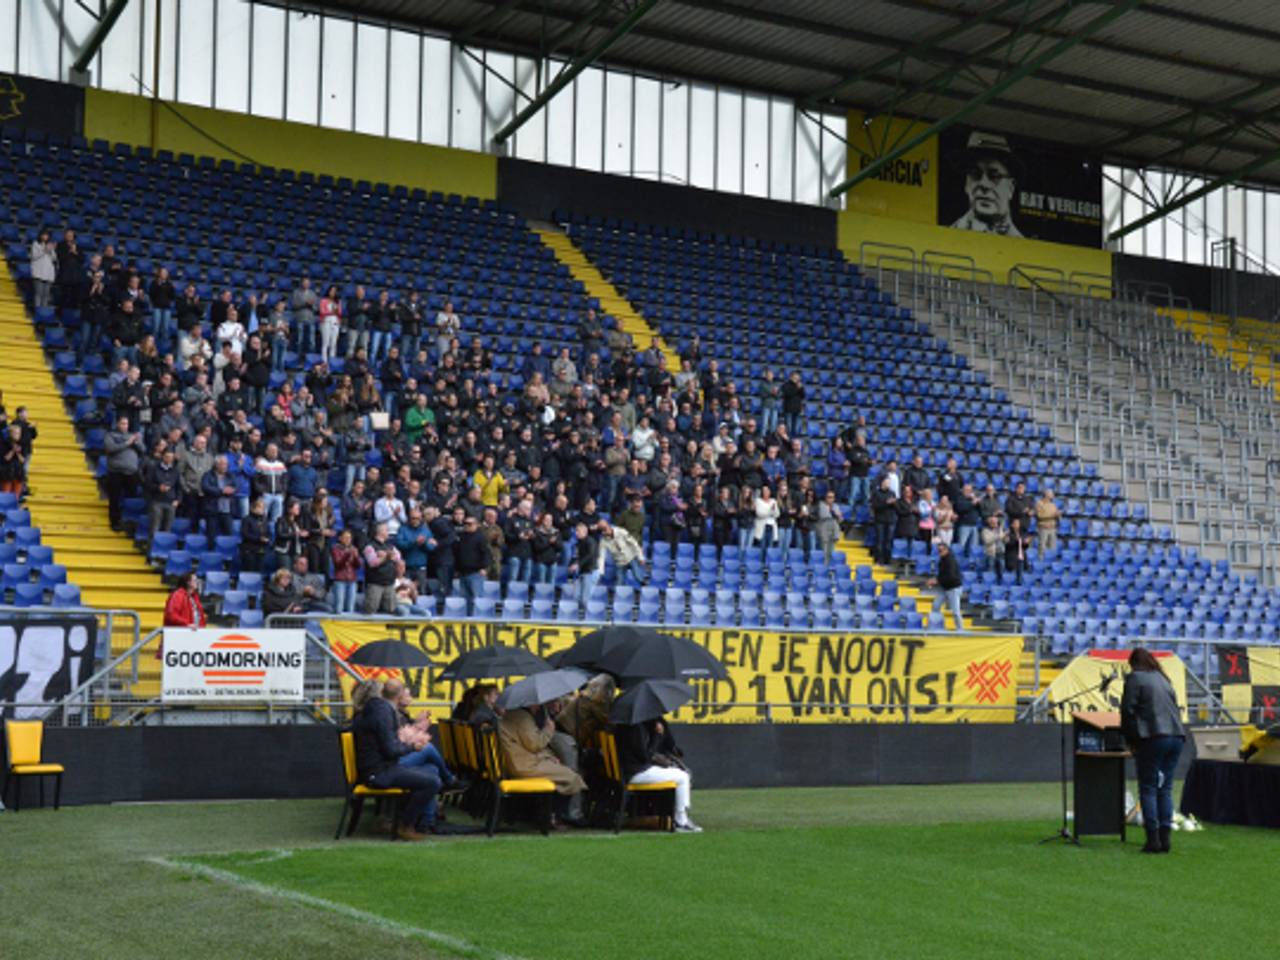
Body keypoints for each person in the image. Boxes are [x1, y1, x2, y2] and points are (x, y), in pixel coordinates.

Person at [353, 678, 440, 841]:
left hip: (382, 767)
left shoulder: (379, 709)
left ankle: (417, 821)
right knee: (433, 782)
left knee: (431, 771)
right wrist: (413, 747)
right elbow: (391, 750)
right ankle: (406, 826)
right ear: (399, 695)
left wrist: (408, 743)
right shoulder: (383, 712)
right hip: (378, 772)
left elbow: (390, 746)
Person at [1120, 648, 1186, 854]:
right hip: (1177, 736)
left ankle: (1153, 840)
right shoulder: (1162, 678)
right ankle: (1165, 839)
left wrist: (1130, 740)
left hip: (1154, 737)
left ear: (1133, 664)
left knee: (1148, 788)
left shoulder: (1135, 678)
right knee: (1164, 788)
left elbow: (1127, 711)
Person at [498, 701, 588, 827]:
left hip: (519, 762)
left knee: (562, 772)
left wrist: (548, 757)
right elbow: (535, 744)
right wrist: (548, 729)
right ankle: (553, 817)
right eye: (538, 704)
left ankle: (549, 815)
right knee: (572, 777)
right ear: (531, 703)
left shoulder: (512, 714)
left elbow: (526, 745)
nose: (540, 706)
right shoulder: (523, 718)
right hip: (526, 766)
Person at [616, 716, 701, 833]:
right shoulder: (636, 728)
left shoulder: (625, 725)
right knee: (683, 777)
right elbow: (646, 757)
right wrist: (658, 735)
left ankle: (680, 817)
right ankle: (681, 820)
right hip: (637, 773)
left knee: (678, 773)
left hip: (631, 771)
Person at [950, 131, 1024, 237]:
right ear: (967, 183)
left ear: (1011, 188)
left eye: (994, 176)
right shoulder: (949, 235)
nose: (984, 184)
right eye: (975, 174)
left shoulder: (1022, 245)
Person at [927, 542, 963, 632]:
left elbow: (951, 577)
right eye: (938, 551)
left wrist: (937, 581)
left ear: (946, 550)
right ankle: (935, 625)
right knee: (935, 605)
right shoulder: (942, 560)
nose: (939, 552)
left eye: (941, 550)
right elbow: (942, 575)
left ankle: (960, 629)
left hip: (953, 588)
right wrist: (936, 580)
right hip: (944, 587)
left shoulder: (950, 561)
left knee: (955, 611)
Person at [330, 529, 362, 614]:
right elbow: (338, 564)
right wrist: (347, 555)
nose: (348, 539)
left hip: (352, 580)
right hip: (340, 580)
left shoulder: (354, 549)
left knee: (351, 606)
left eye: (350, 538)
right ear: (340, 538)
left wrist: (355, 557)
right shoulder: (335, 549)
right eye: (346, 537)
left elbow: (358, 566)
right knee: (338, 606)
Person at [29, 230, 57, 308]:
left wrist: (51, 250)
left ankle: (44, 310)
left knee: (46, 294)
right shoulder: (36, 244)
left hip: (48, 273)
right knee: (38, 293)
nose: (45, 237)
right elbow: (34, 256)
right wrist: (45, 250)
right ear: (40, 235)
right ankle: (37, 309)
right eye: (44, 235)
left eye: (47, 235)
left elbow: (54, 258)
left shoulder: (50, 245)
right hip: (38, 272)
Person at [1035, 488, 1061, 555]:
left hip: (1052, 528)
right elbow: (1039, 515)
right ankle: (1041, 562)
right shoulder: (1039, 503)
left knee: (1052, 547)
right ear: (1047, 495)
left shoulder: (1053, 505)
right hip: (1044, 528)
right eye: (1052, 494)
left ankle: (1050, 562)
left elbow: (1056, 516)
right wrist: (1052, 515)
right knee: (1042, 547)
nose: (1053, 495)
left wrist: (1058, 515)